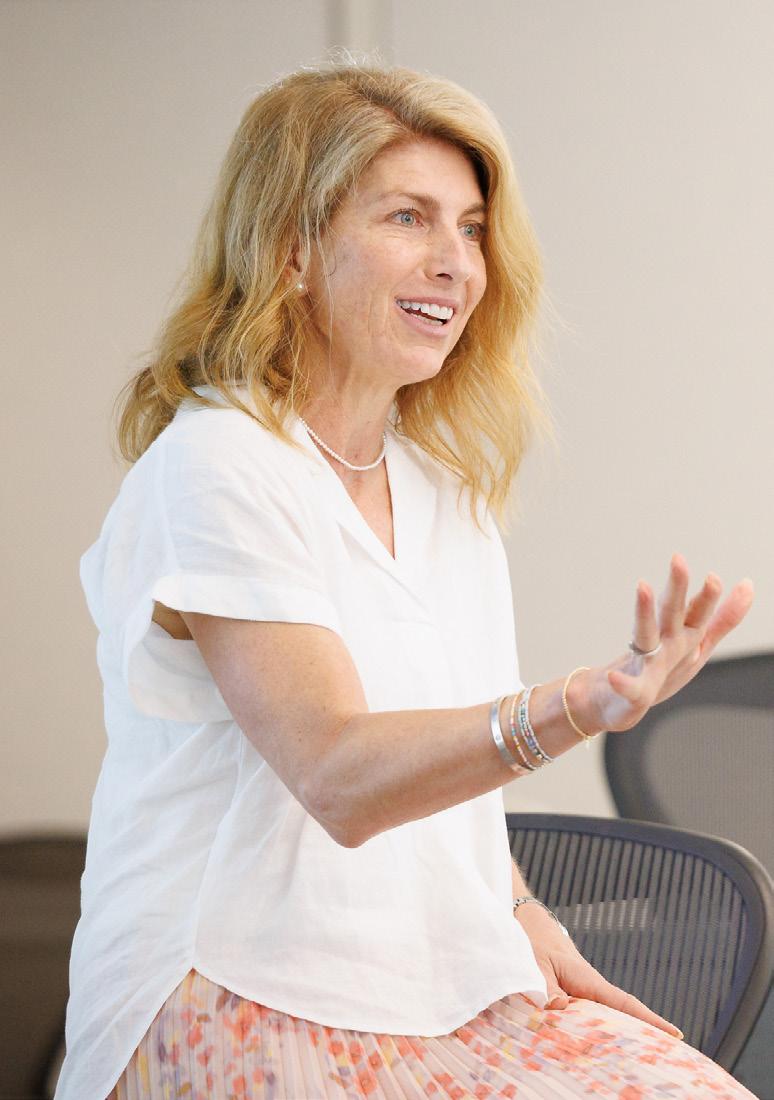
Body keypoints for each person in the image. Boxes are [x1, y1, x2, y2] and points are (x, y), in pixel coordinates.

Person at [56, 62, 757, 1100]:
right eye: (407, 218)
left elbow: (437, 773)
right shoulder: (217, 465)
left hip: (443, 987)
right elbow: (340, 775)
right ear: (291, 249)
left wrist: (519, 910)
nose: (455, 264)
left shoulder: (446, 493)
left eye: (471, 229)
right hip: (230, 984)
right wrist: (572, 706)